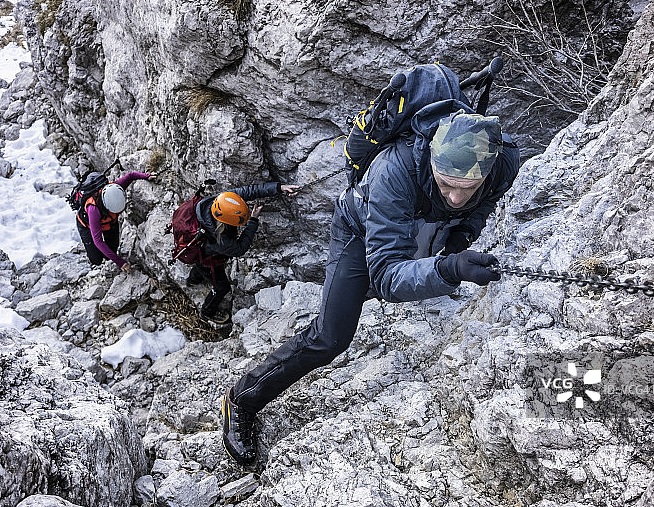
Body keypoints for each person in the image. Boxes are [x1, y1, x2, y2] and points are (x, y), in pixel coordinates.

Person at [220, 105, 520, 464]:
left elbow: (482, 205)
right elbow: (387, 275)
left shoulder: (501, 163)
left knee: (382, 287)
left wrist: (462, 237)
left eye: (467, 187)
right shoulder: (394, 171)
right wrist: (450, 268)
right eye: (446, 185)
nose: (455, 198)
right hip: (358, 230)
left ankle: (356, 292)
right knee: (331, 336)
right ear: (431, 161)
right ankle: (241, 399)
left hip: (413, 223)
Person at [188, 182, 300, 323]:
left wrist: (279, 187)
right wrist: (253, 220)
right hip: (209, 258)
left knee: (199, 265)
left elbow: (248, 190)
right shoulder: (220, 239)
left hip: (199, 250)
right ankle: (207, 312)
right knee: (222, 287)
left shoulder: (220, 201)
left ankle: (192, 280)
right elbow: (240, 248)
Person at [76, 171, 156, 273]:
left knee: (111, 250)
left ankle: (108, 256)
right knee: (96, 260)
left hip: (109, 223)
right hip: (86, 225)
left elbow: (131, 176)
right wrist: (120, 262)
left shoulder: (115, 188)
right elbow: (98, 240)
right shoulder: (93, 209)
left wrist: (147, 176)